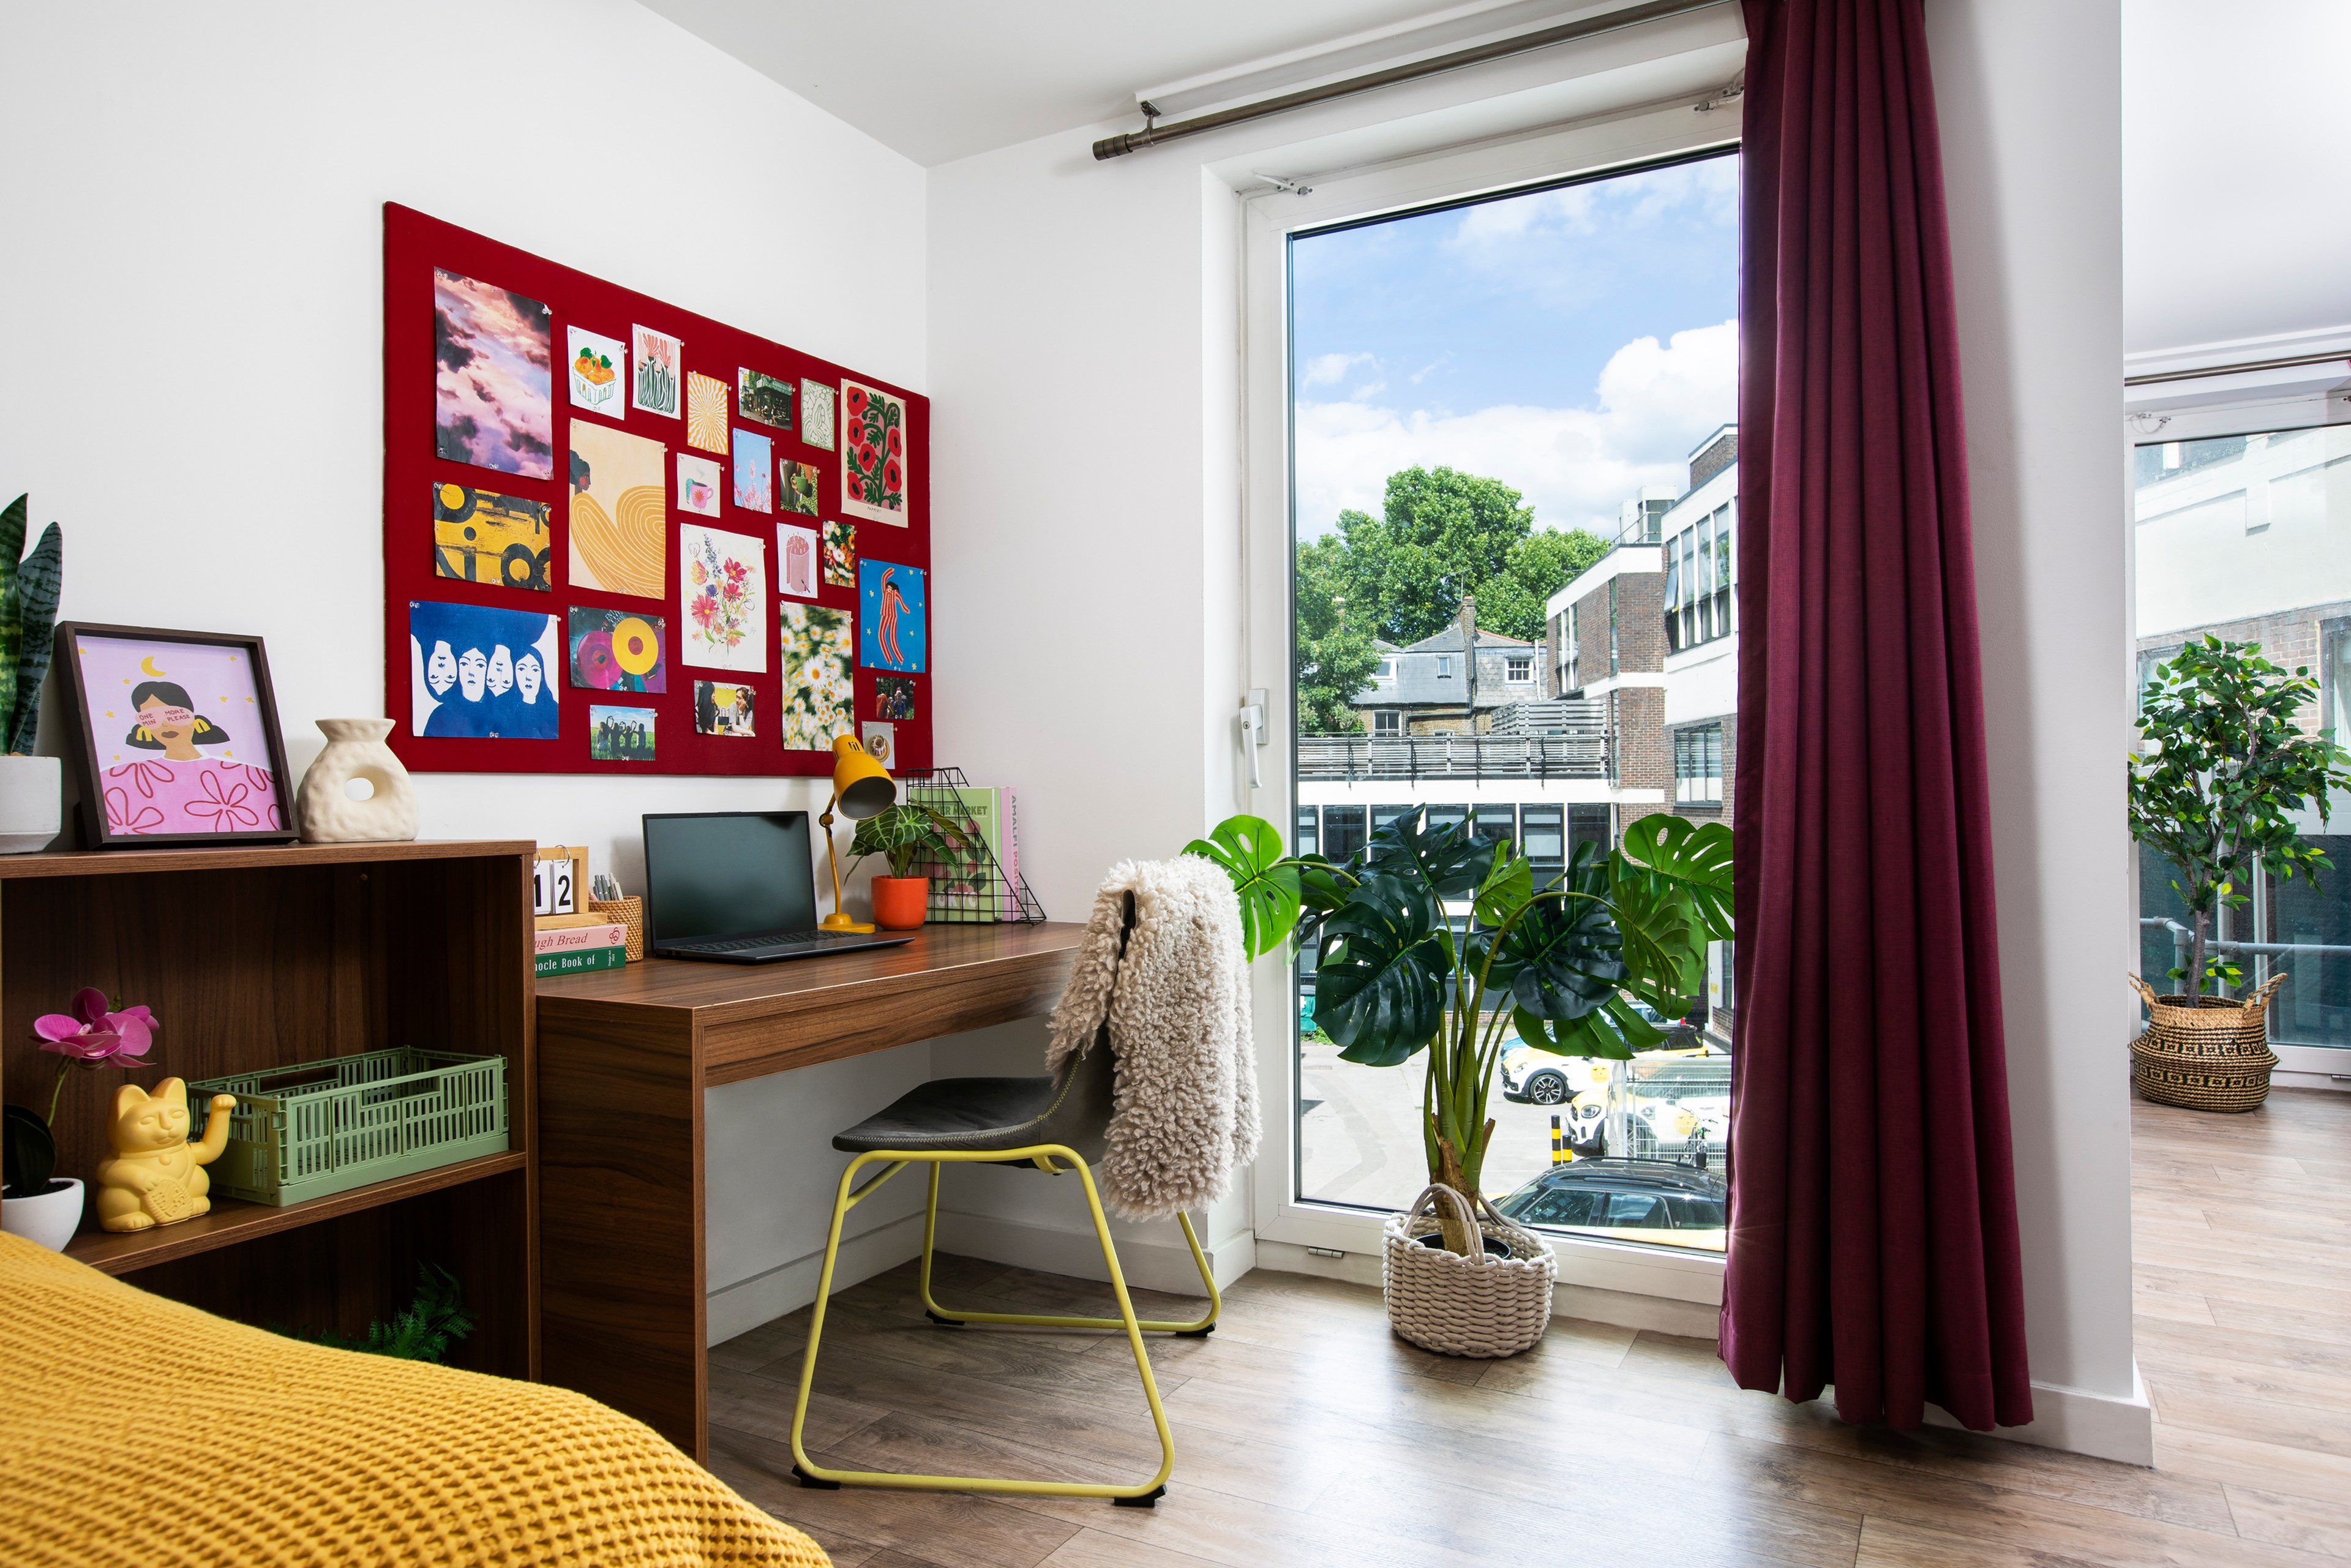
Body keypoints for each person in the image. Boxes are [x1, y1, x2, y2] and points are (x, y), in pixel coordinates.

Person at [105, 680, 280, 835]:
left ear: (193, 717)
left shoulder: (252, 775)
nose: (165, 723)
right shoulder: (119, 778)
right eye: (151, 718)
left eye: (173, 713)